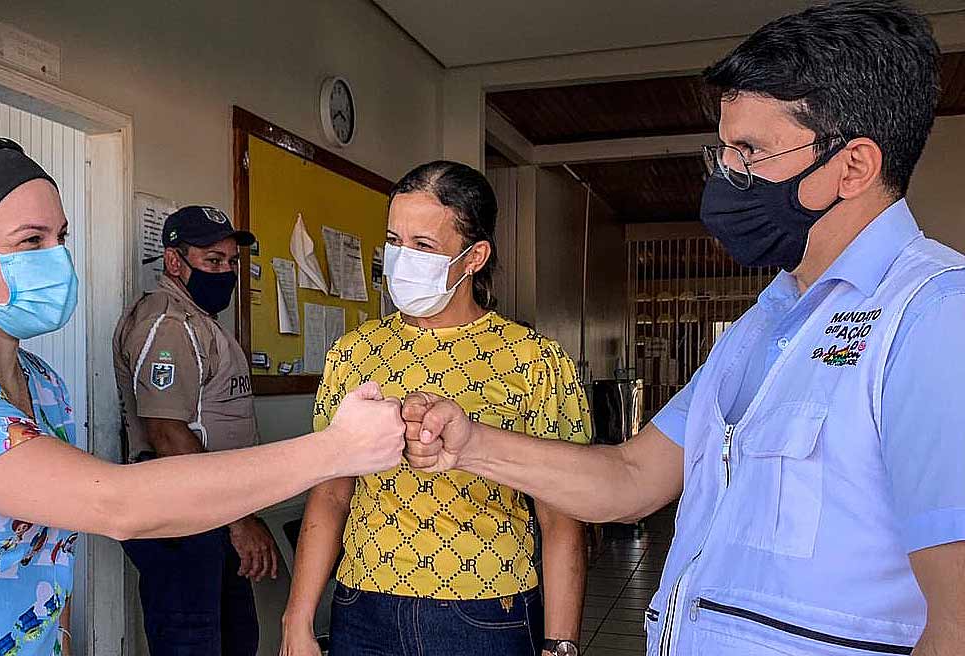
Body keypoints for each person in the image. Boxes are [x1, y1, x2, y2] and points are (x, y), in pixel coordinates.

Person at [402, 3, 965, 655]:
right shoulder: (765, 324)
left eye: (749, 151)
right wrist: (469, 445)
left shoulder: (932, 318)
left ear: (854, 166)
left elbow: (955, 623)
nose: (723, 175)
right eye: (722, 149)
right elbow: (631, 477)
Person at [0, 130, 405, 656]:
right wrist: (336, 449)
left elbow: (46, 554)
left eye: (60, 237)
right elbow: (113, 502)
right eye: (30, 242)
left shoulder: (40, 381)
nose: (58, 258)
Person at [280, 161, 591, 656]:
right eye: (394, 240)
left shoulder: (533, 360)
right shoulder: (354, 353)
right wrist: (296, 619)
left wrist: (561, 644)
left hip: (486, 612)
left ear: (474, 257)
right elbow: (331, 494)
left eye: (423, 246)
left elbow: (561, 518)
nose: (402, 259)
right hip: (364, 606)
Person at [113, 205, 277, 655]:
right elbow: (166, 432)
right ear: (174, 262)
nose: (224, 272)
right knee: (195, 643)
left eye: (229, 262)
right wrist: (239, 519)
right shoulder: (169, 324)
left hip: (213, 512)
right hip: (186, 519)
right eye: (212, 261)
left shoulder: (199, 321)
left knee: (234, 639)